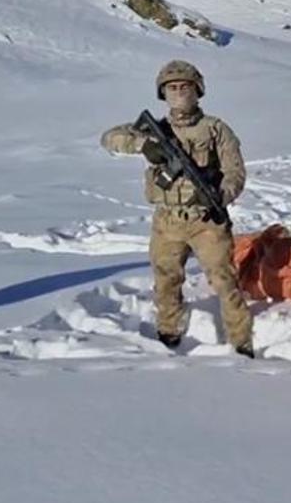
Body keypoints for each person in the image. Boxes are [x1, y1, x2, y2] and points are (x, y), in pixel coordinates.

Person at [100, 60, 254, 358]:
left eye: (186, 87)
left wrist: (221, 196)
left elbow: (235, 172)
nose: (179, 92)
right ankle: (169, 331)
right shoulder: (156, 130)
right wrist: (144, 145)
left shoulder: (216, 129)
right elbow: (109, 138)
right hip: (167, 220)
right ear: (163, 93)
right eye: (172, 88)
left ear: (198, 91)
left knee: (224, 281)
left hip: (206, 220)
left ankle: (241, 340)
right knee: (166, 278)